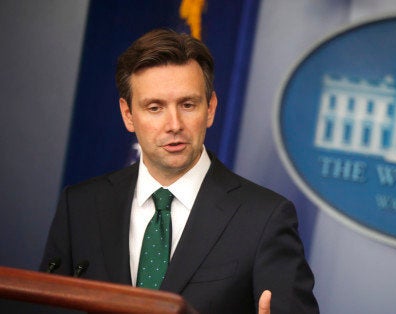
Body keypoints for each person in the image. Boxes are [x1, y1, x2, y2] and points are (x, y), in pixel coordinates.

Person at [40, 28, 319, 314]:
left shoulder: (265, 219)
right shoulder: (81, 206)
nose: (174, 124)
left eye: (188, 105)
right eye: (155, 107)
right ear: (128, 115)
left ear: (210, 108)